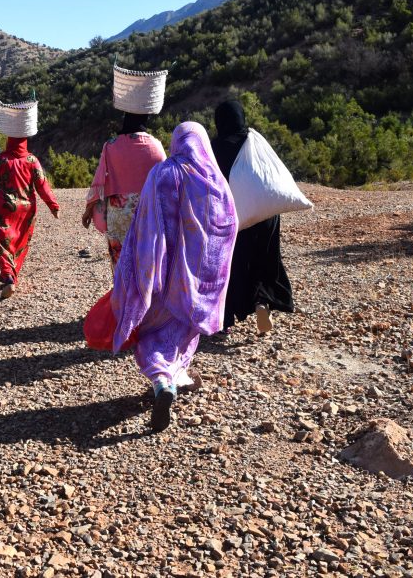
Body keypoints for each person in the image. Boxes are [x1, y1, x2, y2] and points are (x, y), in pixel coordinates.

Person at [112, 122, 238, 432]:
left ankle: (162, 381)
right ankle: (174, 375)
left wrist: (138, 269)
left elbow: (144, 225)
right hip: (194, 281)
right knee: (181, 333)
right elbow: (229, 225)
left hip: (162, 274)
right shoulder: (214, 179)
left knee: (154, 334)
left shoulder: (164, 173)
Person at [209, 100, 295, 334]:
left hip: (232, 216)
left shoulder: (213, 147)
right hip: (264, 212)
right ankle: (262, 300)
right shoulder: (253, 140)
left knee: (231, 264)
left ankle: (224, 319)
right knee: (264, 257)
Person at [0, 100, 60, 299]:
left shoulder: (1, 159)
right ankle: (10, 274)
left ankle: (9, 278)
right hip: (26, 210)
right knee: (19, 241)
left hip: (3, 208)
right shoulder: (32, 160)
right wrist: (53, 205)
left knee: (3, 242)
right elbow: (43, 185)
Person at [82, 111, 166, 268]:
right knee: (146, 262)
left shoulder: (111, 145)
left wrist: (89, 209)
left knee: (120, 261)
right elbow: (165, 185)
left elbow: (99, 180)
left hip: (117, 213)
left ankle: (121, 291)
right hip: (148, 213)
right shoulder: (156, 146)